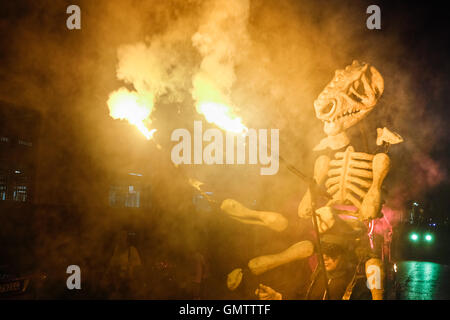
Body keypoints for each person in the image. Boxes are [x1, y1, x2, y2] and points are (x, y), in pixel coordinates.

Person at [256, 234, 372, 300]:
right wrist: (278, 297)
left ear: (343, 256)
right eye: (322, 254)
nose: (325, 258)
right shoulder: (317, 275)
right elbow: (301, 297)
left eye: (331, 253)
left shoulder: (356, 283)